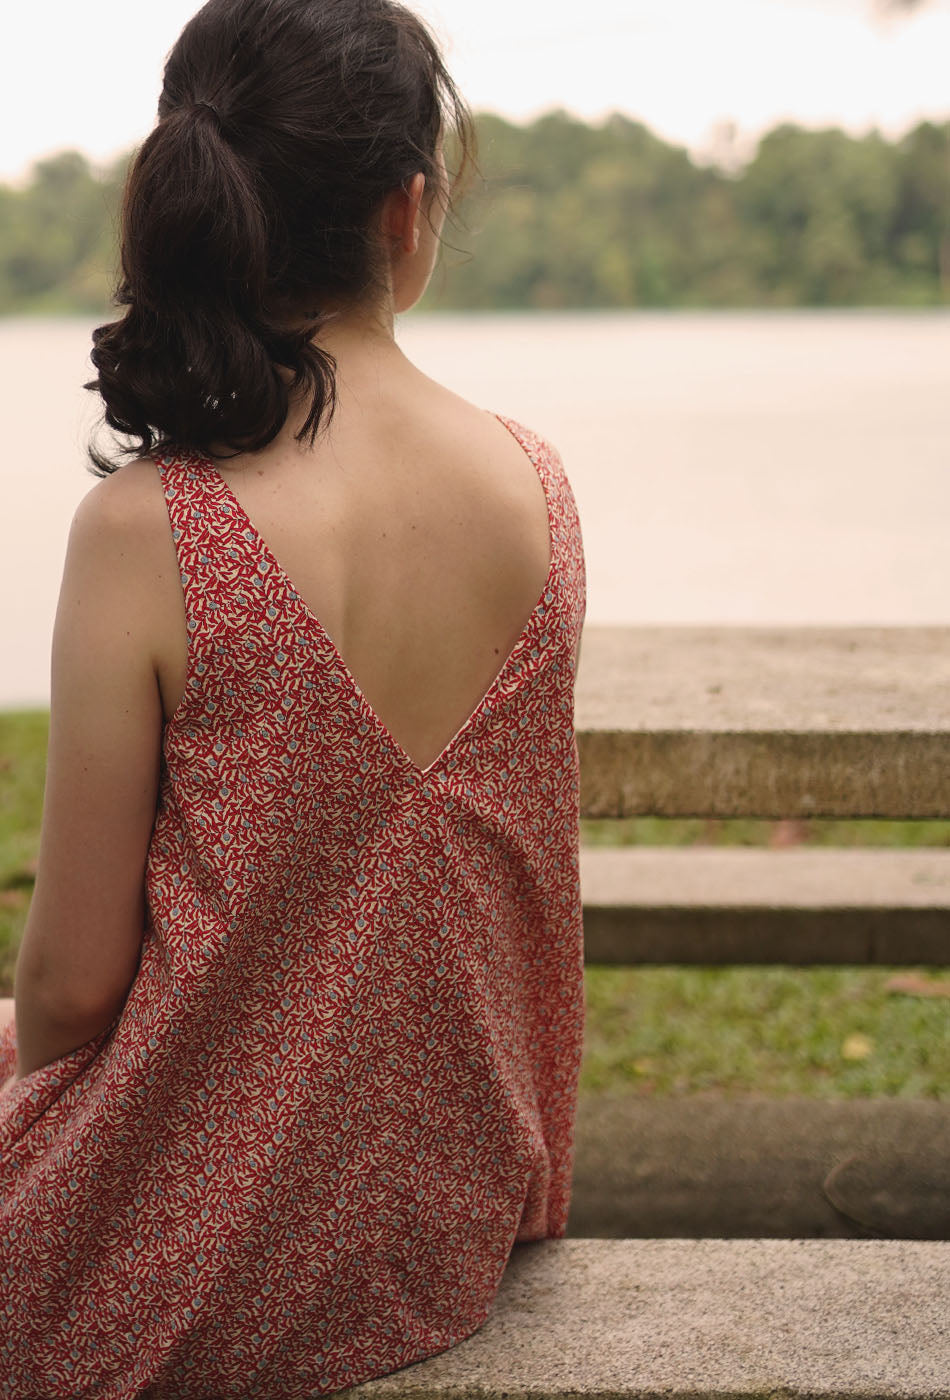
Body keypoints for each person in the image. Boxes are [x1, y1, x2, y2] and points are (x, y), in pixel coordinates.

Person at [0, 0, 587, 1394]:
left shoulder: (152, 528)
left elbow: (73, 992)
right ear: (406, 208)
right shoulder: (535, 488)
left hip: (186, 1253)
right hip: (433, 1234)